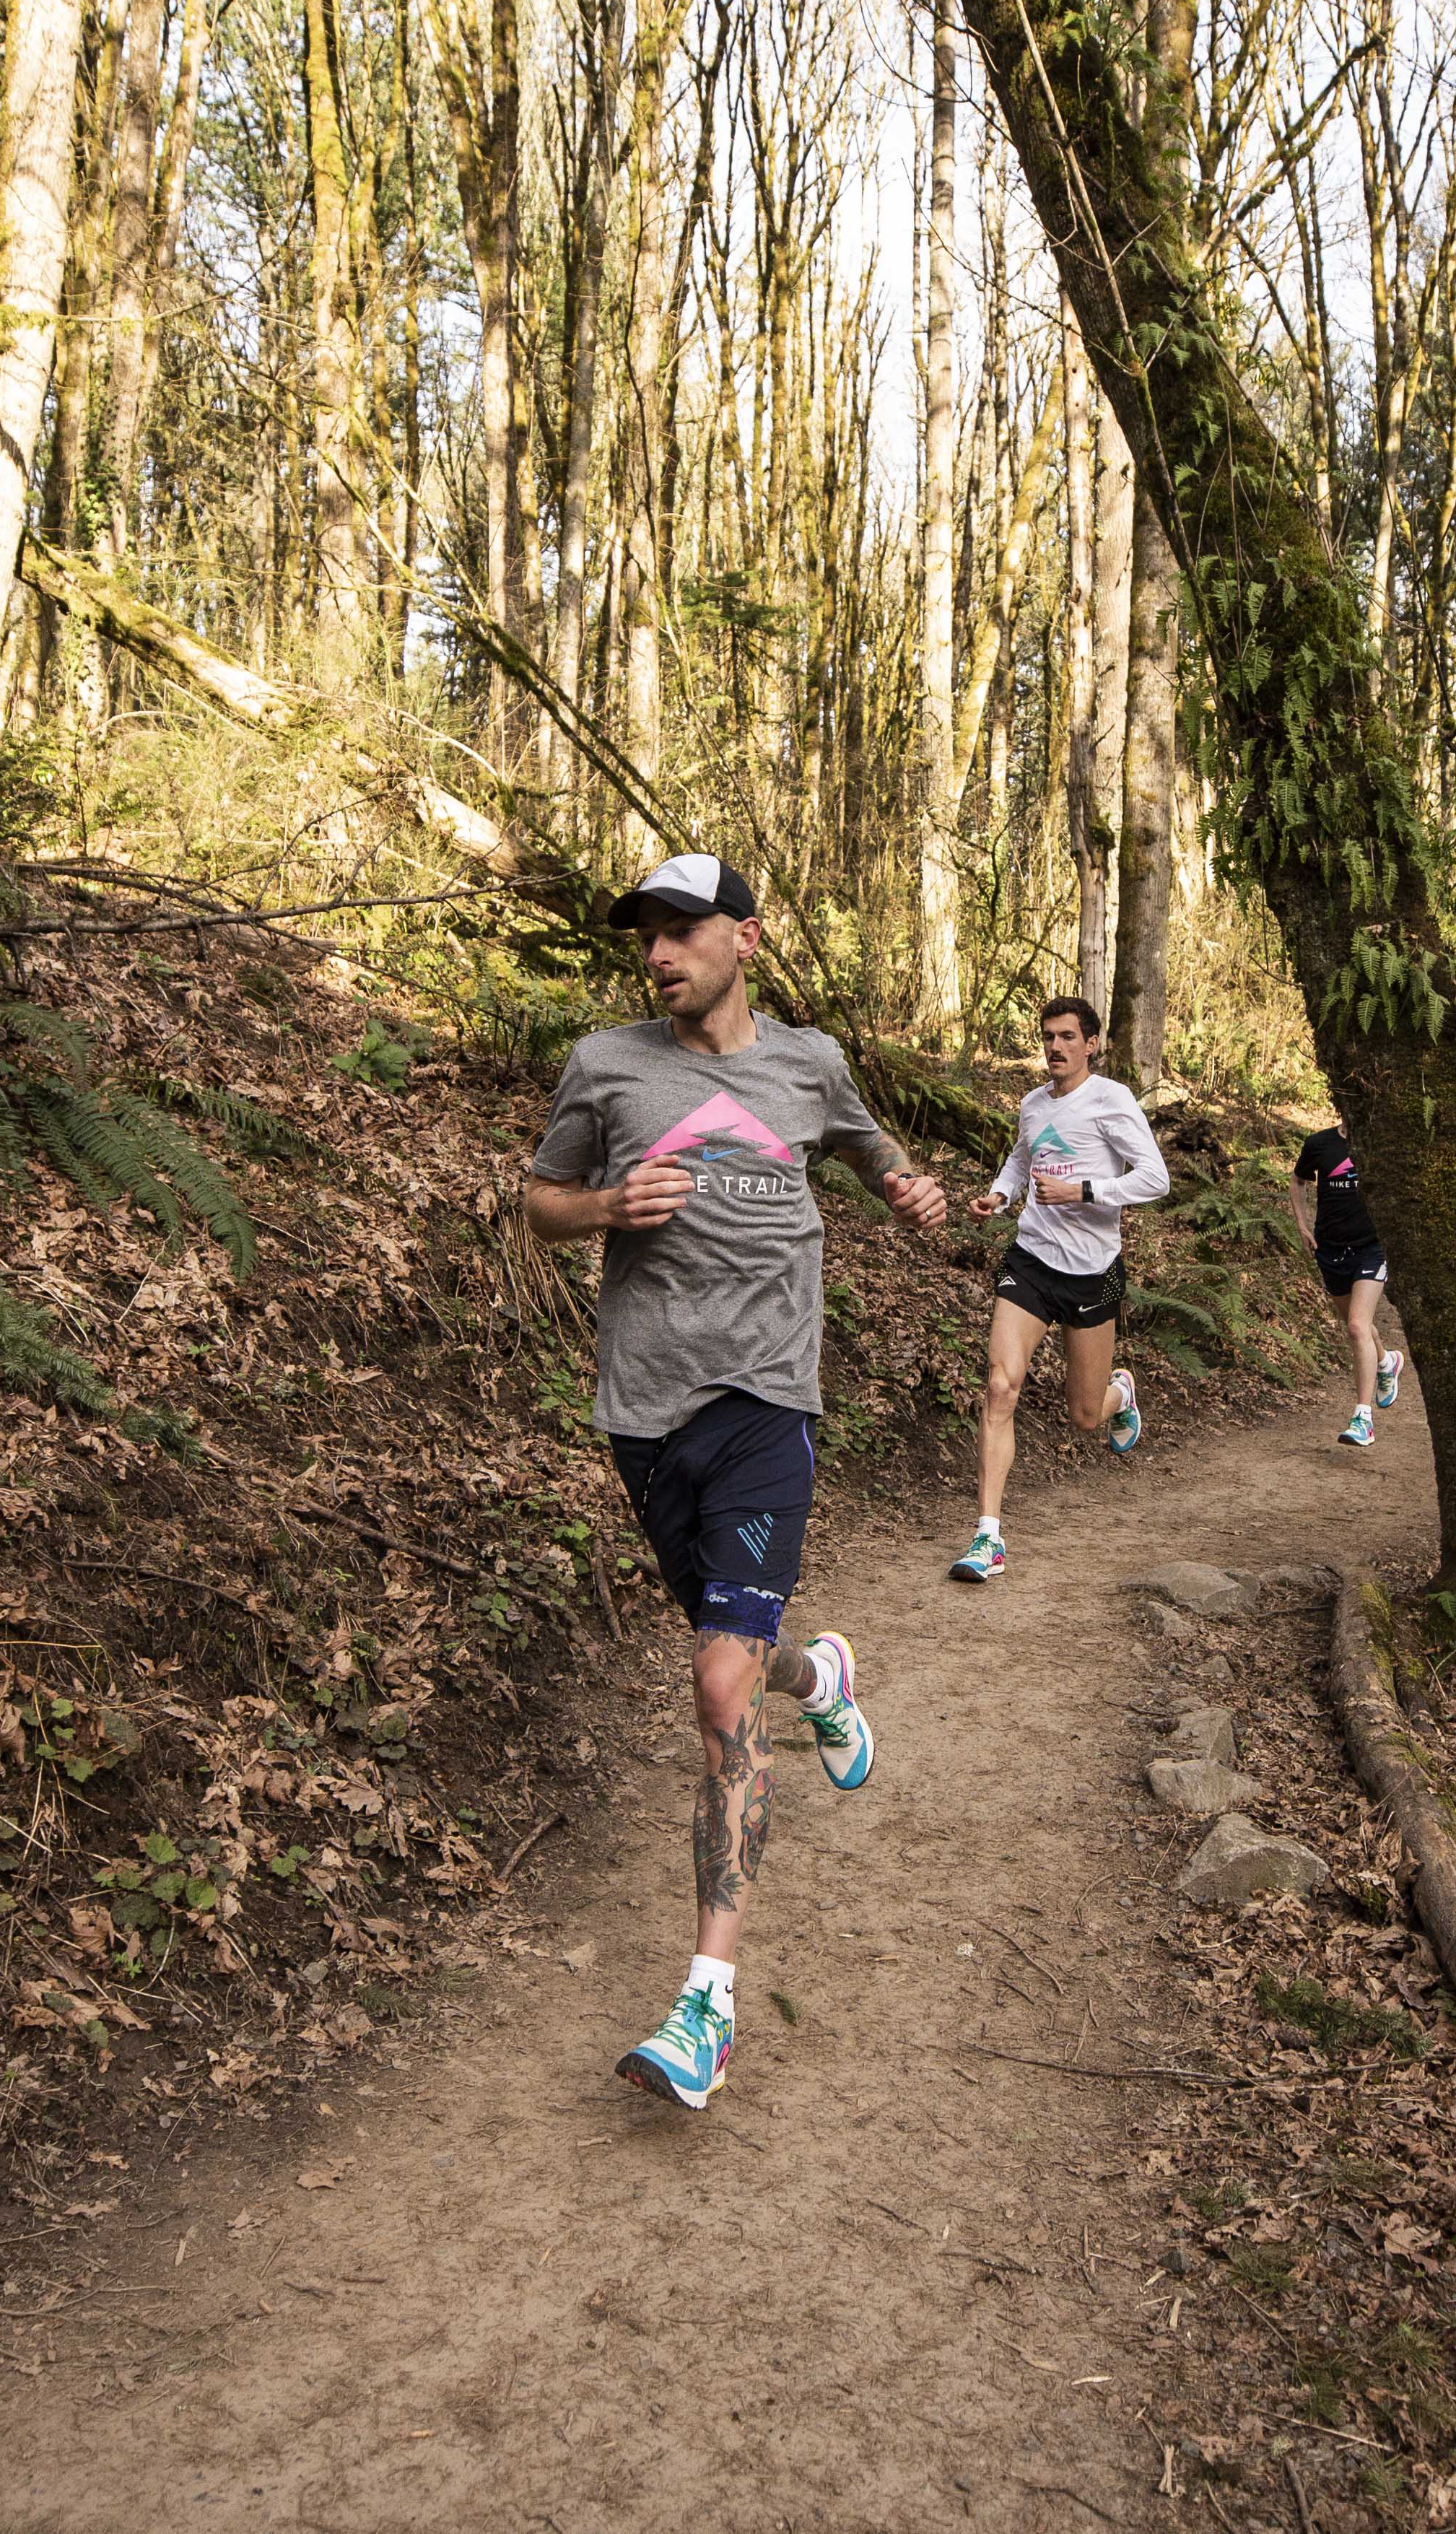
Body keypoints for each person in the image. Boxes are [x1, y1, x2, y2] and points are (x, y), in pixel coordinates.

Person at [522, 853, 950, 2111]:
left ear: (746, 940)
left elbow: (874, 1154)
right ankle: (823, 1677)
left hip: (767, 1400)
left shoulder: (809, 1065)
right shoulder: (605, 1065)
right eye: (646, 938)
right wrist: (606, 1203)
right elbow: (537, 1200)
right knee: (744, 1658)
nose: (659, 955)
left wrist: (907, 1189)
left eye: (682, 931)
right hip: (644, 1414)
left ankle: (704, 2004)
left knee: (714, 1681)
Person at [950, 996, 1169, 1582]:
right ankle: (987, 1536)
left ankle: (1119, 1394)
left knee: (1082, 1416)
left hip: (1095, 1273)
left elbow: (1155, 1177)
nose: (1055, 1047)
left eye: (1068, 1037)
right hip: (1031, 1261)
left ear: (1091, 1043)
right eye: (1048, 1036)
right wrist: (998, 1195)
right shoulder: (1031, 1104)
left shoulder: (1111, 1100)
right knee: (1001, 1385)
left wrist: (1085, 1192)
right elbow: (1022, 1160)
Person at [1291, 1120, 1404, 1446]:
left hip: (1372, 1248)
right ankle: (1387, 1360)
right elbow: (1298, 1180)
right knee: (1359, 1325)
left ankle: (1363, 1419)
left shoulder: (1382, 1143)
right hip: (1330, 1249)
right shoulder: (1319, 1144)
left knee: (1356, 1327)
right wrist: (1302, 1225)